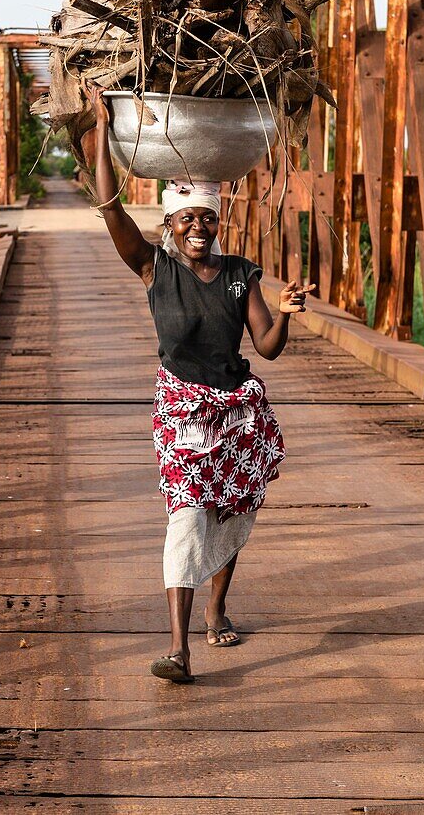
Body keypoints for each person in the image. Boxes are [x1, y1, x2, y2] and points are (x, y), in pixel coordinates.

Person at [89, 87, 314, 683]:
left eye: (207, 217)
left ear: (218, 220)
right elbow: (112, 211)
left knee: (231, 511)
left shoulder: (240, 274)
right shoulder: (153, 267)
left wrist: (286, 311)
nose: (198, 227)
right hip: (182, 411)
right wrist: (100, 133)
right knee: (187, 515)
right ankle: (179, 648)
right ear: (168, 222)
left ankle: (217, 607)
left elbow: (265, 347)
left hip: (238, 412)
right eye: (186, 218)